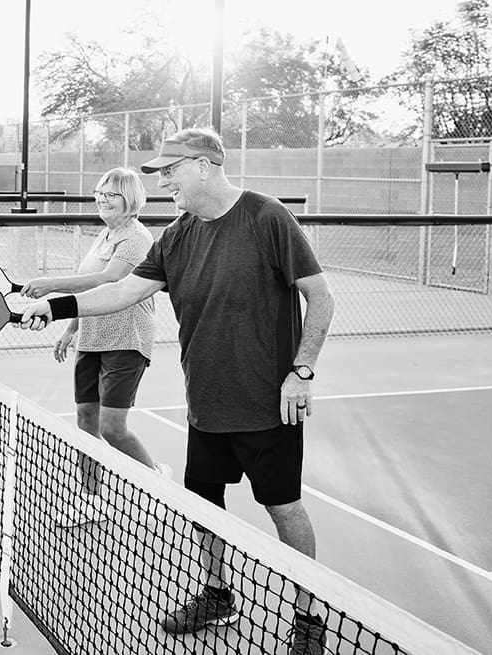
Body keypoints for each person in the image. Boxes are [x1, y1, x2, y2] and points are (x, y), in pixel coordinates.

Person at [18, 128, 335, 655]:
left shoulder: (266, 217)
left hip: (267, 406)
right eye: (161, 173)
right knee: (203, 505)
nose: (164, 181)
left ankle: (309, 617)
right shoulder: (179, 234)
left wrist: (301, 372)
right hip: (205, 405)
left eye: (171, 170)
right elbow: (123, 291)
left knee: (284, 509)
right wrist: (55, 308)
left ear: (205, 166)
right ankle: (217, 594)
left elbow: (320, 298)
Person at [20, 167, 170, 527]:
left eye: (111, 194)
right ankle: (90, 500)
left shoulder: (136, 238)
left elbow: (109, 281)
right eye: (99, 192)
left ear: (129, 199)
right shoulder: (104, 234)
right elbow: (90, 295)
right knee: (86, 420)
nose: (102, 199)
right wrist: (71, 329)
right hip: (91, 339)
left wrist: (52, 286)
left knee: (113, 427)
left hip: (126, 340)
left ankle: (157, 482)